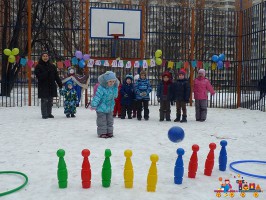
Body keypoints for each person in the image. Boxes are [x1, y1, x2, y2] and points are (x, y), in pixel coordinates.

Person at [91, 71, 119, 138]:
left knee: (110, 121)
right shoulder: (101, 88)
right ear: (106, 81)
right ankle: (102, 132)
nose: (112, 83)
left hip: (109, 108)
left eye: (113, 81)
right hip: (101, 108)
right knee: (102, 121)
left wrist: (115, 88)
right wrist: (94, 104)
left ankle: (109, 132)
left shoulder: (113, 88)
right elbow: (97, 96)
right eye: (110, 81)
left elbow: (115, 96)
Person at [35, 52, 62, 119]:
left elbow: (56, 76)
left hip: (51, 85)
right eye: (44, 56)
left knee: (50, 100)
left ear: (48, 57)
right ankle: (44, 114)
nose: (45, 57)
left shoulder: (52, 66)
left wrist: (60, 84)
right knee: (44, 100)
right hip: (43, 86)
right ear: (41, 57)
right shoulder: (38, 66)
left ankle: (49, 113)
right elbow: (39, 77)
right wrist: (46, 72)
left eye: (46, 56)